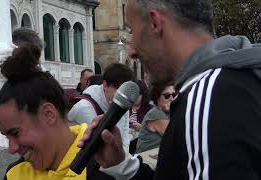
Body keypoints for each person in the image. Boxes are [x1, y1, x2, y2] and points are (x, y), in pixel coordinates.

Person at [78, 0, 261, 179]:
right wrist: (122, 166)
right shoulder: (236, 82)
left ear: (154, 23)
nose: (131, 50)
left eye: (133, 32)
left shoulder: (209, 101)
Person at [0, 44, 114, 180]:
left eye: (15, 133)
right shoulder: (14, 174)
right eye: (7, 137)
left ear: (49, 114)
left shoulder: (106, 168)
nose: (11, 149)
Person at [68, 63, 135, 153]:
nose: (123, 96)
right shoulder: (84, 108)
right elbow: (104, 147)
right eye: (120, 91)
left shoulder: (122, 102)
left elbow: (124, 138)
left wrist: (124, 160)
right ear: (105, 85)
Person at [135, 83, 177, 154]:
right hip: (147, 160)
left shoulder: (167, 113)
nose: (171, 98)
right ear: (157, 96)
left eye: (173, 95)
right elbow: (175, 138)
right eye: (167, 95)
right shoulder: (156, 114)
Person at [128, 80, 153, 154]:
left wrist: (142, 128)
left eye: (137, 94)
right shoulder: (125, 108)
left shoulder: (150, 110)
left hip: (141, 146)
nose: (134, 97)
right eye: (132, 94)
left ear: (143, 95)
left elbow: (155, 132)